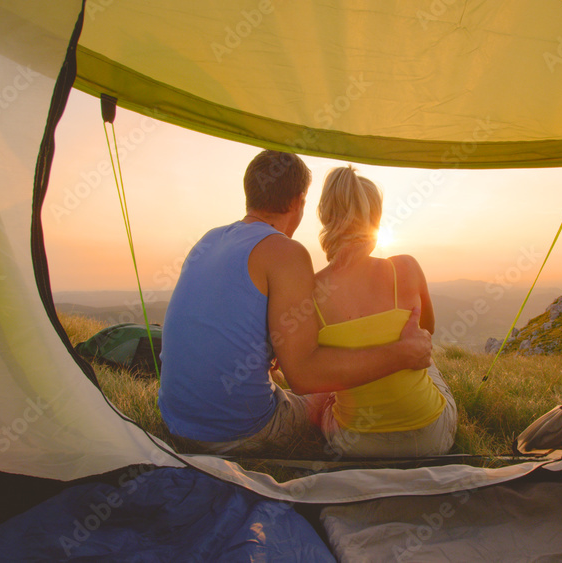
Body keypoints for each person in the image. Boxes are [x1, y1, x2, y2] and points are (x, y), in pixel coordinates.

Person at [158, 150, 433, 455]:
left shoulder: (209, 239)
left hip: (174, 420)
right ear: (299, 201)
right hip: (236, 433)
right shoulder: (286, 252)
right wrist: (403, 353)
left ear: (250, 193)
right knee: (325, 395)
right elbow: (303, 378)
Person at [313, 166, 457, 458]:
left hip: (354, 445)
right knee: (426, 358)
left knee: (329, 391)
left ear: (326, 218)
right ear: (375, 220)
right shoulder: (405, 267)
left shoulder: (310, 291)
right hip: (430, 439)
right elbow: (426, 330)